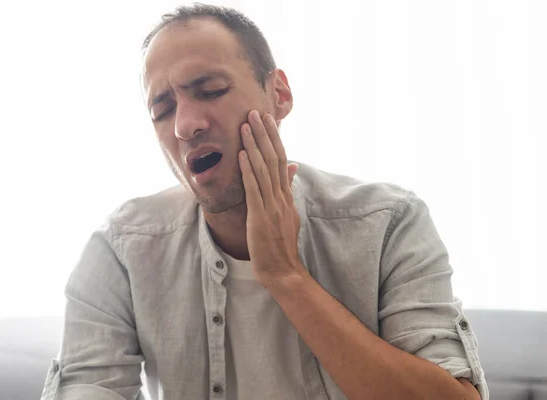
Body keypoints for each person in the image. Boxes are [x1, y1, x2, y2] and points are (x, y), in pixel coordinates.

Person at [40, 3, 488, 400]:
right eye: (162, 109)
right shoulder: (122, 248)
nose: (185, 125)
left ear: (279, 95)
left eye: (210, 89)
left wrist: (285, 274)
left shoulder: (389, 223)